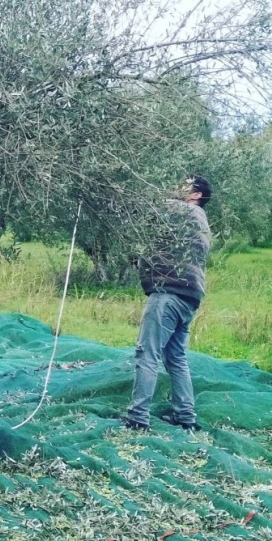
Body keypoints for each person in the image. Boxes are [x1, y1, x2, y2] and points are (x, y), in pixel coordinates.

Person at [124, 175, 212, 431]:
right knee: (176, 358)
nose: (178, 187)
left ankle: (138, 417)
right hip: (190, 297)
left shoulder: (183, 209)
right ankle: (185, 417)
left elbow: (145, 203)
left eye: (185, 184)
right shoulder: (199, 221)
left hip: (168, 294)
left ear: (196, 195)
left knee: (147, 354)